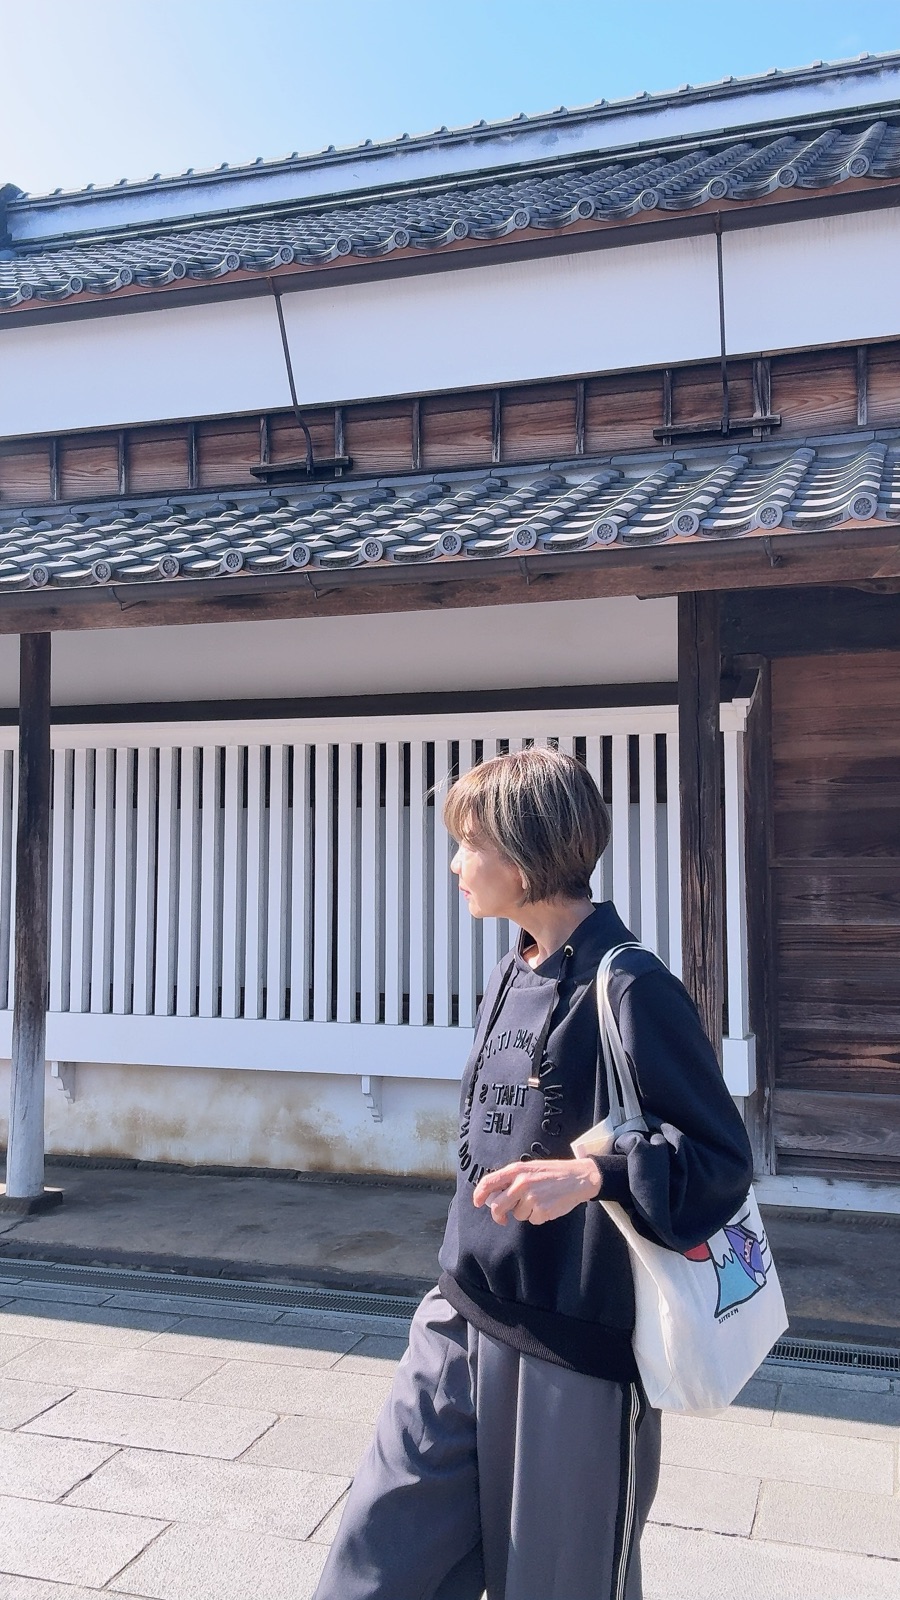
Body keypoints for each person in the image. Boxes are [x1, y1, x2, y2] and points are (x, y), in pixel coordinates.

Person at [313, 747, 753, 1600]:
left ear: (522, 855)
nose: (454, 864)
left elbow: (721, 1161)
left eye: (468, 843)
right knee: (373, 1565)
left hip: (574, 1351)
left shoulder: (631, 987)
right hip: (458, 1314)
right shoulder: (507, 974)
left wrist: (595, 1176)